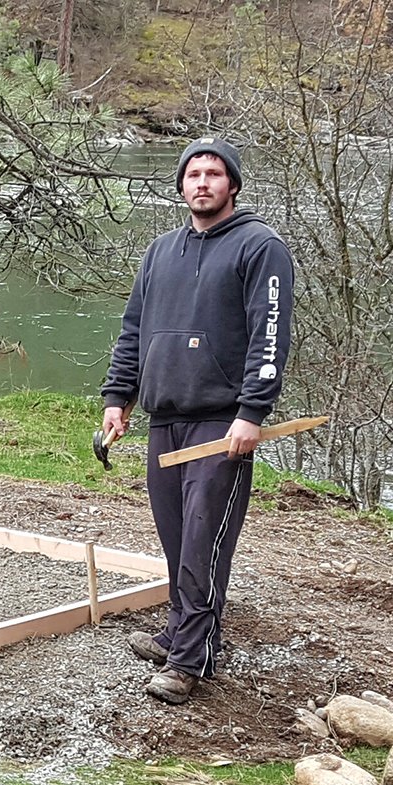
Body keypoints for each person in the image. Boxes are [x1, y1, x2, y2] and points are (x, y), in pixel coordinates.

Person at [101, 136, 294, 705]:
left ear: (232, 184)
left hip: (221, 422)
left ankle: (190, 660)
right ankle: (182, 634)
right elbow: (135, 329)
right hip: (166, 418)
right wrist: (120, 396)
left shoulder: (260, 247)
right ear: (181, 184)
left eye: (214, 173)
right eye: (193, 174)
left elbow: (271, 333)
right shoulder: (161, 250)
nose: (202, 182)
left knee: (203, 542)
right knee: (175, 539)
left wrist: (252, 412)